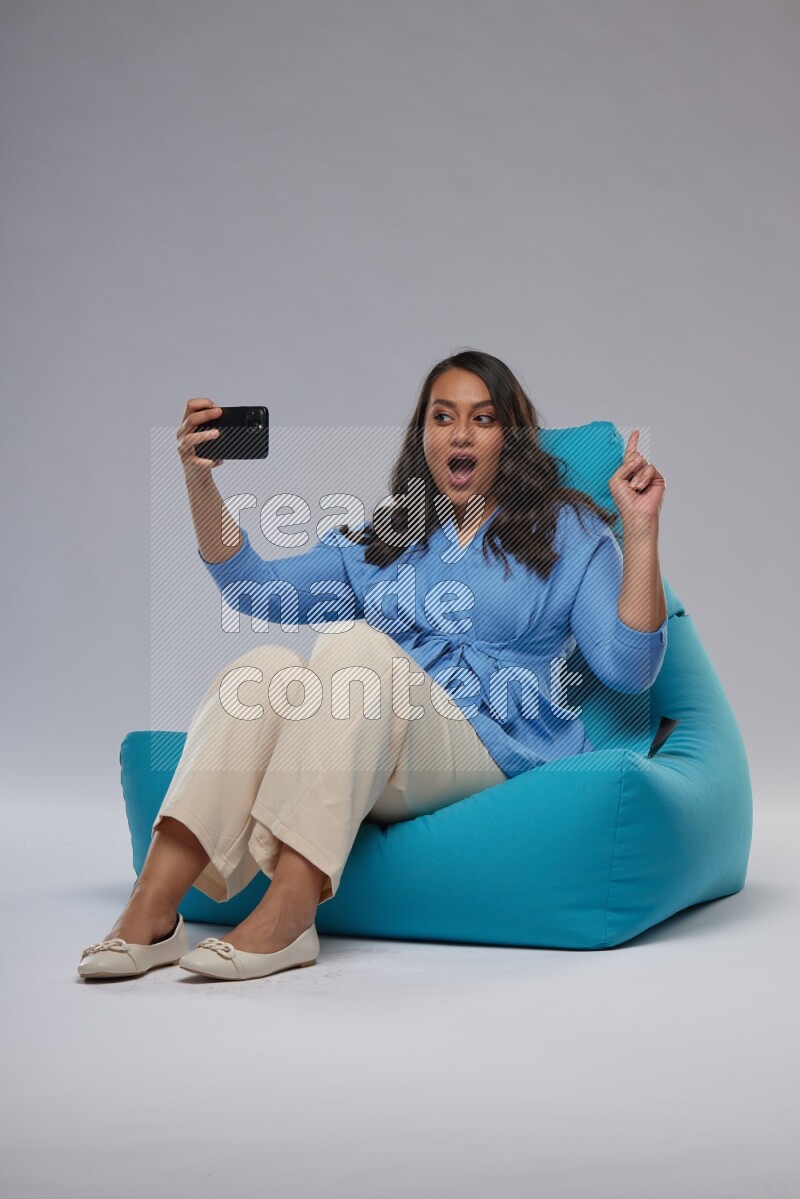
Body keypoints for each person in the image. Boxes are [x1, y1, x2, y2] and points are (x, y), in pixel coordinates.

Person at [77, 349, 667, 982]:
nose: (461, 434)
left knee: (356, 649)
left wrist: (639, 532)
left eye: (483, 418)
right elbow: (253, 589)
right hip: (368, 745)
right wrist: (200, 481)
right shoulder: (389, 534)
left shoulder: (568, 531)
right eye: (443, 418)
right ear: (424, 435)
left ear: (510, 437)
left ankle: (290, 915)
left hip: (491, 745)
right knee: (264, 670)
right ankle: (153, 911)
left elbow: (629, 669)